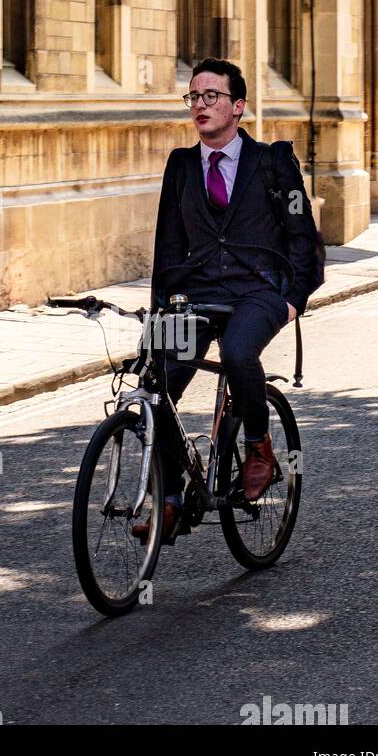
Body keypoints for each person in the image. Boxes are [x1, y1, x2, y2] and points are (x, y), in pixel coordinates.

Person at [132, 57, 324, 543]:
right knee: (158, 386)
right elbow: (168, 246)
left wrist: (294, 299)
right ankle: (171, 497)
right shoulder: (180, 166)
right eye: (193, 97)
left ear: (238, 107)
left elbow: (303, 234)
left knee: (239, 353)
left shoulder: (272, 163)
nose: (200, 105)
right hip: (195, 291)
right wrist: (160, 315)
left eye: (211, 96)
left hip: (258, 291)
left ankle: (258, 447)